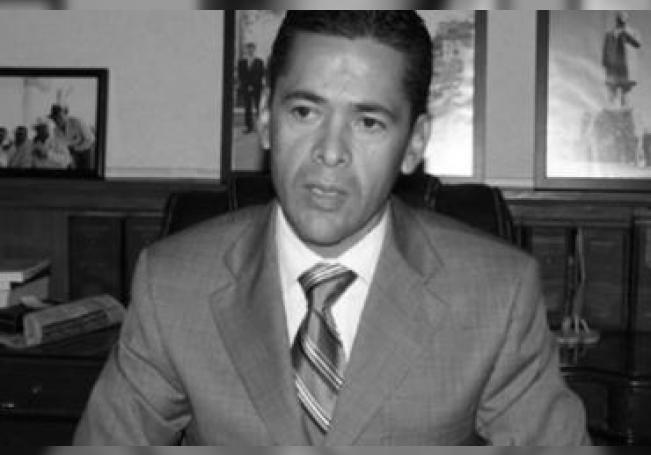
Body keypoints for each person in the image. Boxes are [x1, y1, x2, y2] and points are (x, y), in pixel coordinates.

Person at [75, 11, 589, 445]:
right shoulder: (171, 284)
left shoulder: (496, 295)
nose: (330, 151)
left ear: (414, 143)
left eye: (368, 122)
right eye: (304, 111)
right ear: (266, 118)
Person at [602, 11, 641, 108]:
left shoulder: (633, 32)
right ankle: (611, 109)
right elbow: (605, 49)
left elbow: (638, 44)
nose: (622, 18)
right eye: (620, 16)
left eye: (624, 17)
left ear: (627, 19)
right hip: (613, 64)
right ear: (617, 19)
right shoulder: (609, 34)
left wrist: (626, 33)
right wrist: (605, 62)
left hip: (626, 64)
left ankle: (625, 109)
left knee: (625, 89)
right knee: (612, 88)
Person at [48, 103, 95, 170]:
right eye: (55, 118)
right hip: (71, 155)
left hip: (87, 152)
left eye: (59, 117)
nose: (57, 120)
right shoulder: (55, 131)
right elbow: (61, 147)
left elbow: (91, 139)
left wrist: (76, 148)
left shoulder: (77, 122)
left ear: (65, 115)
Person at [237, 42, 265, 133]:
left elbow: (260, 75)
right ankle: (249, 127)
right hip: (246, 88)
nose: (250, 50)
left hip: (257, 88)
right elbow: (241, 75)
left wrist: (253, 85)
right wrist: (247, 85)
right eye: (248, 48)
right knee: (247, 108)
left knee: (258, 107)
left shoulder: (259, 62)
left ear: (254, 50)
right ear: (246, 50)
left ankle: (260, 126)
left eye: (252, 48)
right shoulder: (241, 62)